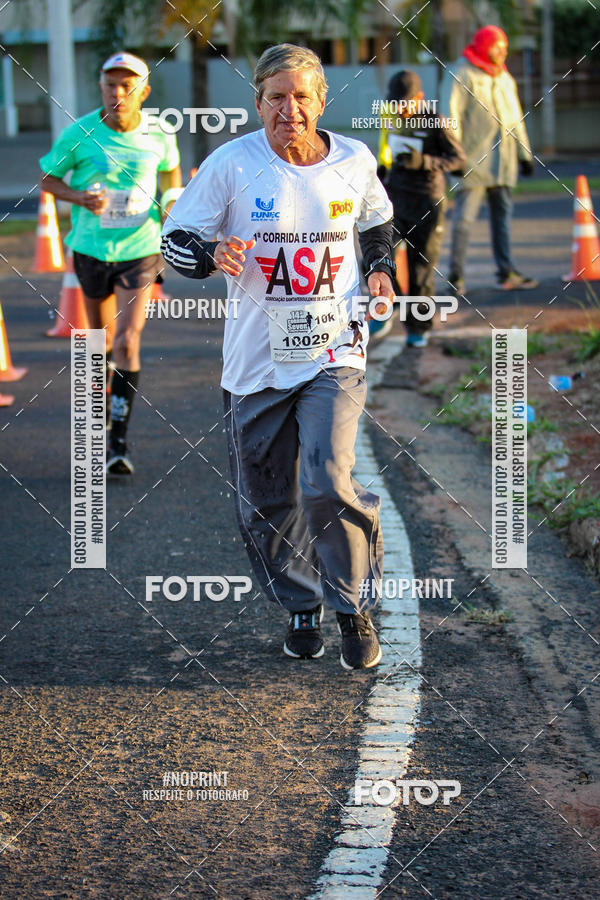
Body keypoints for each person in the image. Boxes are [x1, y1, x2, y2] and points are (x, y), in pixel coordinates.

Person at [162, 43, 395, 669]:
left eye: (301, 97)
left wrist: (377, 269)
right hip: (256, 361)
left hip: (334, 348)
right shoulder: (231, 165)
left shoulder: (352, 158)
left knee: (326, 481)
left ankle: (352, 607)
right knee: (267, 498)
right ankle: (299, 603)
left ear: (320, 101)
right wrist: (211, 256)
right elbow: (177, 241)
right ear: (258, 103)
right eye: (275, 97)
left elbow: (376, 221)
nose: (289, 109)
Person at [39, 51, 182, 475]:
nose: (118, 93)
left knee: (128, 340)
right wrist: (80, 197)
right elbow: (47, 177)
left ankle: (117, 442)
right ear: (100, 88)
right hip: (91, 249)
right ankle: (97, 423)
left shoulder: (160, 132)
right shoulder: (79, 133)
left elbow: (171, 172)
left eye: (127, 85)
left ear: (144, 91)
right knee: (98, 344)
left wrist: (170, 205)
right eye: (110, 85)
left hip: (142, 248)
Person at [377, 69, 465, 347]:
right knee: (377, 255)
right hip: (394, 199)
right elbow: (384, 155)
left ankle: (418, 329)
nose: (399, 109)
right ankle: (395, 303)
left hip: (428, 201)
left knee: (421, 270)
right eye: (395, 103)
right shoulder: (389, 118)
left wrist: (424, 162)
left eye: (405, 103)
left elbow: (459, 162)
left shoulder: (437, 122)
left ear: (420, 98)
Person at [447, 25, 538, 295]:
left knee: (503, 219)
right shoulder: (462, 73)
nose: (503, 51)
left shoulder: (504, 77)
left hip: (505, 161)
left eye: (505, 46)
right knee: (464, 220)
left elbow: (515, 117)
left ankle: (506, 271)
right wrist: (456, 156)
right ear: (484, 45)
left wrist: (525, 154)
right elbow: (450, 115)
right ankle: (456, 277)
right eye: (497, 46)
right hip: (473, 161)